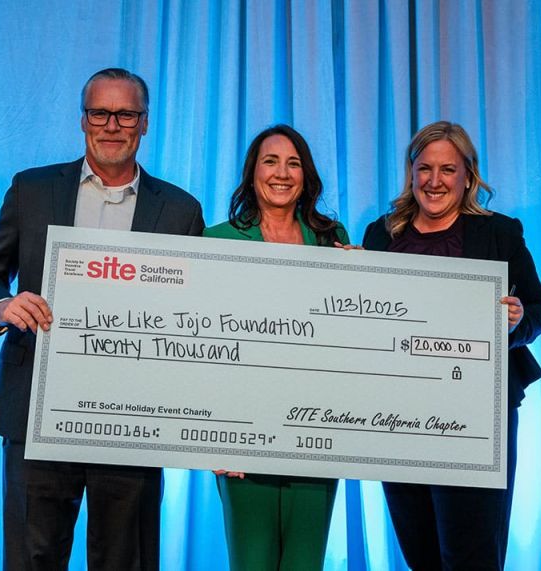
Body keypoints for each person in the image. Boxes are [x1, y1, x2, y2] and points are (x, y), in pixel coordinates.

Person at [0, 68, 204, 570]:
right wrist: (1, 305)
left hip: (133, 418)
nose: (112, 124)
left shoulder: (181, 210)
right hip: (37, 409)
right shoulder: (32, 189)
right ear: (82, 120)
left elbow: (195, 311)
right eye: (100, 112)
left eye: (126, 114)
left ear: (145, 124)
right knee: (33, 558)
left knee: (125, 561)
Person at [362, 120, 541, 570]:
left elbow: (540, 308)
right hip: (398, 417)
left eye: (447, 169)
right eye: (424, 168)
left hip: (476, 418)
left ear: (468, 174)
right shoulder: (380, 235)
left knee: (473, 555)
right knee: (420, 550)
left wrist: (517, 320)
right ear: (411, 173)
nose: (434, 180)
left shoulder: (499, 232)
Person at [204, 125, 349, 570]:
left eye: (293, 163)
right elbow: (200, 347)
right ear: (252, 173)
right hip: (242, 437)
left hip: (317, 432)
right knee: (252, 563)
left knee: (306, 565)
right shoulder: (215, 240)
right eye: (271, 161)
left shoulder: (332, 239)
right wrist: (210, 436)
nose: (282, 173)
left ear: (306, 175)